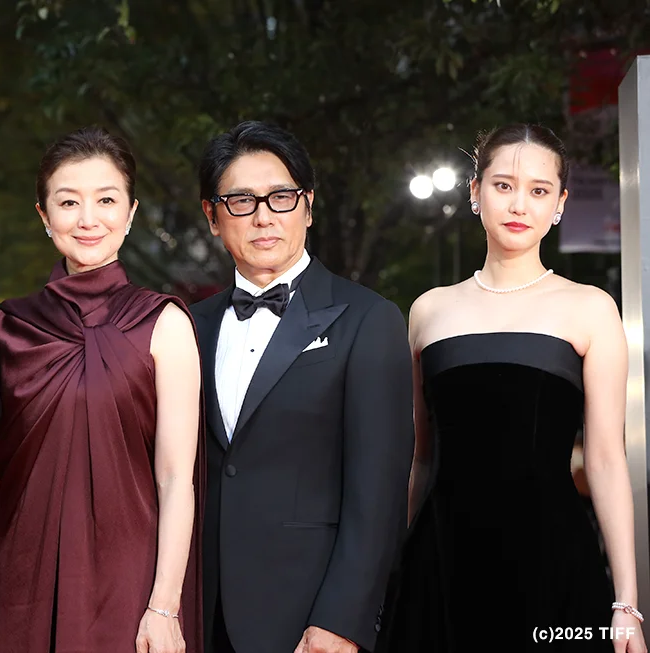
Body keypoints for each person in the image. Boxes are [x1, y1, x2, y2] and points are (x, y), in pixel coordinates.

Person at [376, 124, 648, 653]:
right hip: (442, 565)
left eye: (539, 190)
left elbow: (605, 461)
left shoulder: (591, 308)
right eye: (503, 185)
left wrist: (626, 603)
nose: (519, 204)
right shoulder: (429, 310)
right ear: (475, 192)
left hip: (553, 563)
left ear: (560, 204)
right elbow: (421, 459)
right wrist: (395, 570)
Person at [0, 127, 204, 653]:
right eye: (68, 202)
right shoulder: (6, 327)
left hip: (127, 591)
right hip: (17, 583)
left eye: (106, 200)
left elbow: (177, 478)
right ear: (44, 216)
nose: (88, 219)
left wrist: (164, 605)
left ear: (130, 213)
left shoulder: (165, 324)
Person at [189, 120, 413, 653]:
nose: (263, 216)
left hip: (309, 617)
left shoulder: (368, 319)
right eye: (241, 200)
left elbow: (378, 492)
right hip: (200, 611)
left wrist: (343, 620)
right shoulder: (188, 326)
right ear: (212, 216)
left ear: (308, 207)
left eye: (281, 197)